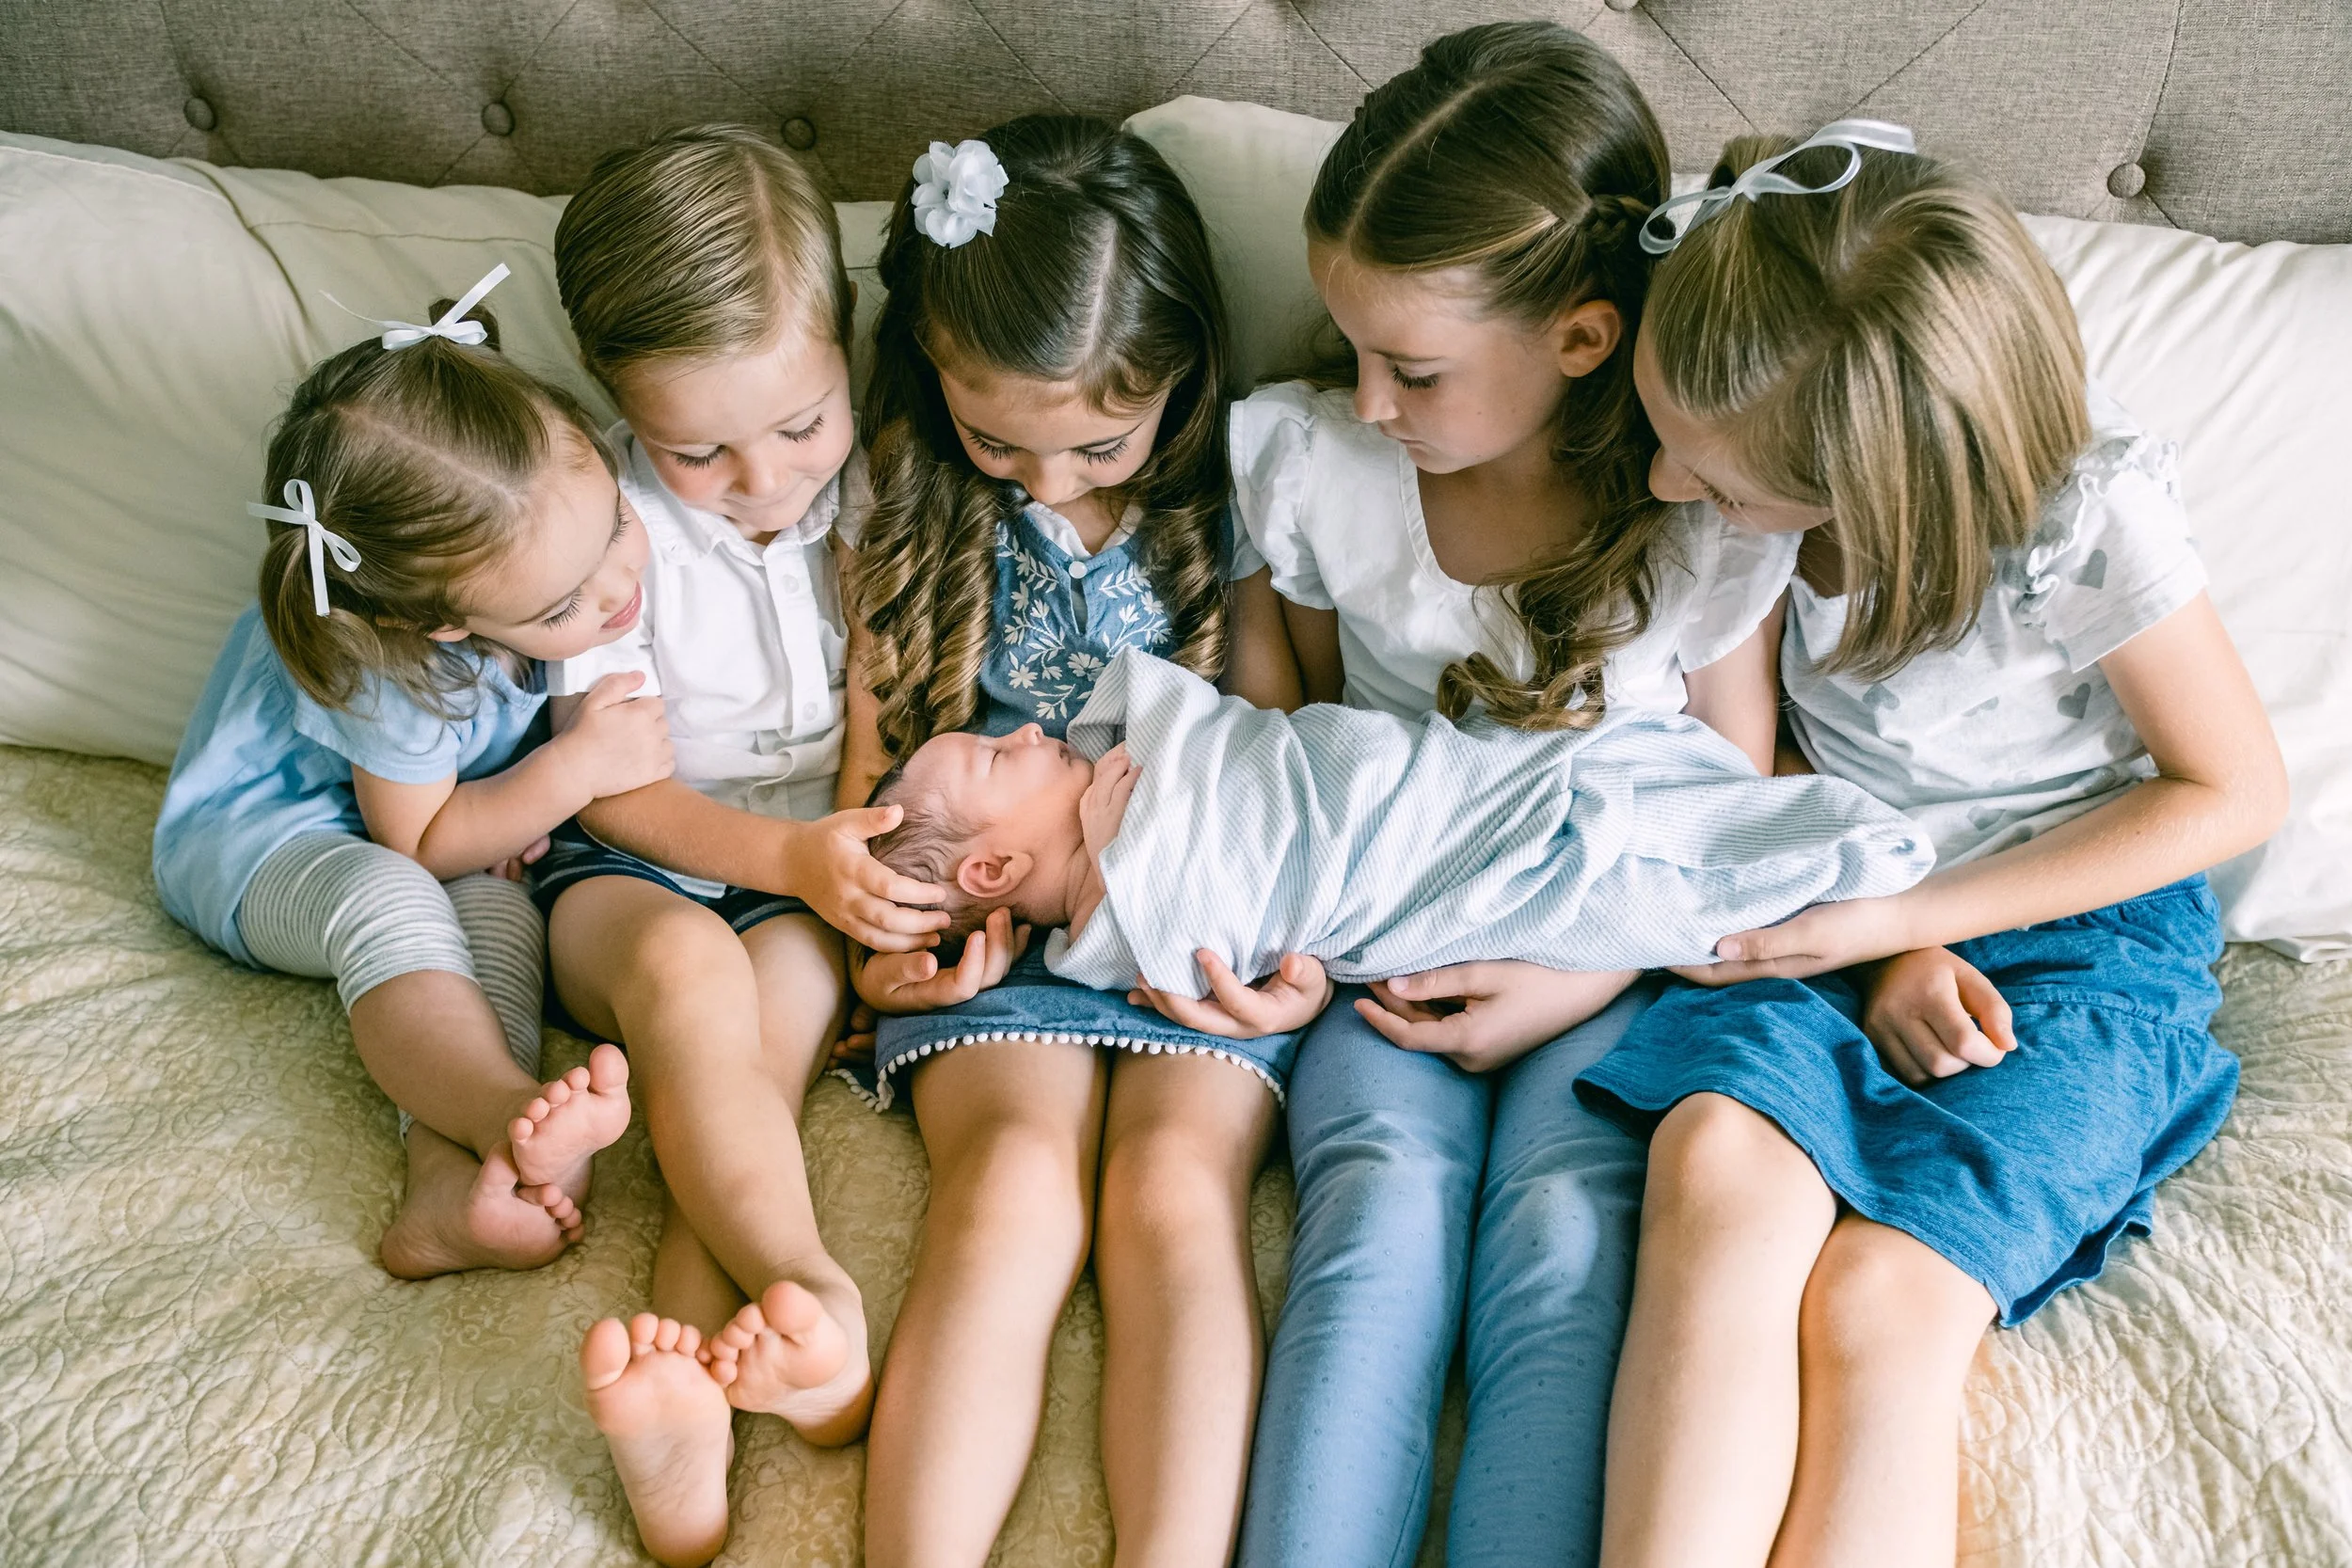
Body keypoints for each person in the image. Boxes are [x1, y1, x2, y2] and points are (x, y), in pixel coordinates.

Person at [1576, 119, 2288, 1568]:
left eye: (1710, 479)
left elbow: (2231, 791)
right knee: (1714, 1164)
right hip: (1832, 877)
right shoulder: (1744, 507)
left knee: (1879, 1303)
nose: (1661, 489)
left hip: (2085, 921)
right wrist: (1892, 925)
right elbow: (1744, 763)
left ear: (1879, 478)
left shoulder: (2087, 523)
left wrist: (1917, 921)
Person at [1228, 24, 1796, 1568]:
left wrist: (1591, 967)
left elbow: (1739, 790)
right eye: (1352, 349)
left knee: (1564, 1237)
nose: (1364, 399)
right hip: (1382, 927)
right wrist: (1277, 922)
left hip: (1606, 937)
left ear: (1585, 338)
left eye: (1409, 367)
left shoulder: (1703, 515)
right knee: (1375, 1219)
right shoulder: (1313, 466)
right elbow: (1283, 711)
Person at [835, 115, 1315, 1568]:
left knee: (1176, 1197)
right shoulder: (905, 501)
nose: (1045, 481)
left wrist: (1291, 968)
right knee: (1010, 1191)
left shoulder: (1225, 497)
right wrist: (890, 959)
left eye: (1098, 440)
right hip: (993, 942)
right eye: (999, 439)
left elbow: (1281, 758)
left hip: (1202, 931)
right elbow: (865, 794)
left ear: (1179, 376)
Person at [532, 126, 950, 1568]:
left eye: (798, 426)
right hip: (631, 871)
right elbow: (609, 794)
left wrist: (843, 860)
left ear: (845, 356)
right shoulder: (603, 528)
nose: (763, 478)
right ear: (618, 411)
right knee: (700, 995)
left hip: (796, 862)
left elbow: (877, 706)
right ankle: (811, 1293)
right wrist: (790, 862)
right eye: (698, 449)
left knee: (762, 1047)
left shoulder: (879, 487)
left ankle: (691, 1413)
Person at [151, 269, 663, 1282]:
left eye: (615, 527)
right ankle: (504, 1111)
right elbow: (416, 842)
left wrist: (516, 800)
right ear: (439, 622)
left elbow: (458, 847)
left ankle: (451, 1187)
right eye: (562, 608)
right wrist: (571, 768)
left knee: (500, 918)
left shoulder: (540, 549)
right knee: (398, 895)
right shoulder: (387, 665)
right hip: (260, 843)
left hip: (433, 838)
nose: (615, 591)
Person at [865, 649, 1931, 988]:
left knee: (1556, 781)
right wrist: (1110, 847)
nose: (1026, 730)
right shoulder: (1105, 937)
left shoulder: (1129, 764)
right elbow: (1200, 943)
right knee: (1595, 865)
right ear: (994, 871)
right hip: (1395, 865)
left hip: (1384, 786)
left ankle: (1772, 832)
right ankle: (1812, 855)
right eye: (998, 757)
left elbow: (1236, 741)